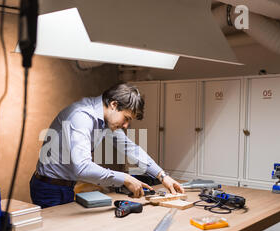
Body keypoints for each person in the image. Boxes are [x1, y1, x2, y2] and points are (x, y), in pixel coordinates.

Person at [29, 83, 184, 208]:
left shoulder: (105, 121)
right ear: (114, 105)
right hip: (49, 188)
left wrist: (162, 176)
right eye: (126, 118)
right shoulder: (82, 117)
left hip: (67, 185)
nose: (125, 125)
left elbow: (131, 149)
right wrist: (125, 178)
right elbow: (82, 167)